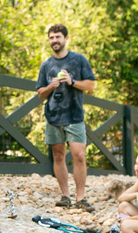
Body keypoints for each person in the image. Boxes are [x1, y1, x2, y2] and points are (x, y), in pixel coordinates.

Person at [36, 24, 97, 212]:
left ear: (66, 39)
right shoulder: (46, 65)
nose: (54, 40)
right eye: (51, 37)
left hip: (74, 115)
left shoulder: (78, 60)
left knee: (79, 155)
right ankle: (65, 196)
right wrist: (50, 87)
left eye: (58, 37)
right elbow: (40, 94)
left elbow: (91, 85)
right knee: (58, 156)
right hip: (53, 116)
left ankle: (81, 198)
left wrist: (73, 82)